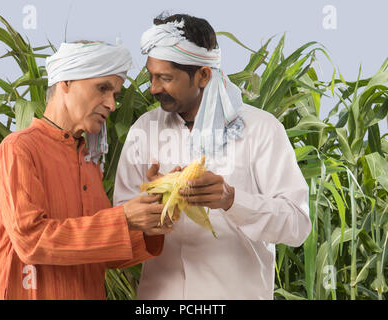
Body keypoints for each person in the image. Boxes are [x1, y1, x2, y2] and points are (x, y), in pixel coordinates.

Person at [113, 14, 311, 299]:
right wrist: (156, 201)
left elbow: (297, 224)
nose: (154, 88)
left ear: (203, 75)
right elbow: (123, 219)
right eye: (152, 76)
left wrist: (231, 200)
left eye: (165, 78)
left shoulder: (262, 130)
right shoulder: (144, 129)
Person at [0, 41, 172, 300]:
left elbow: (98, 249)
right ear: (65, 82)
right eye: (102, 88)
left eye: (114, 95)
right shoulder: (18, 150)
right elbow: (31, 241)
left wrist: (150, 221)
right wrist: (123, 219)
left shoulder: (90, 163)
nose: (112, 105)